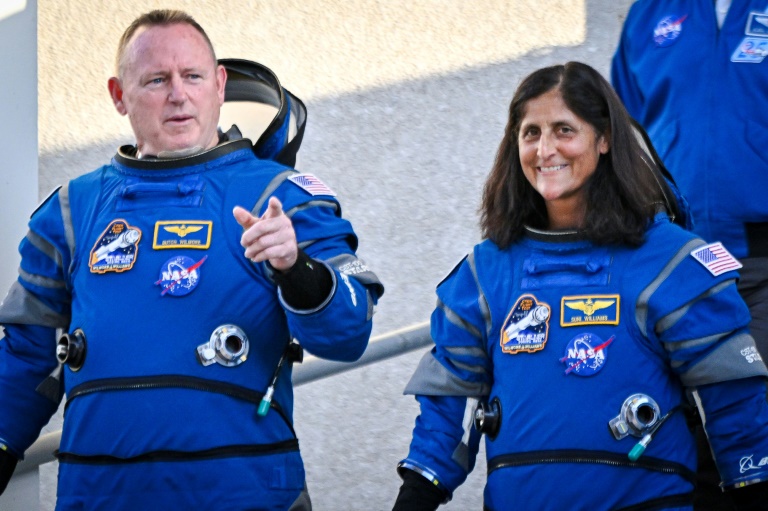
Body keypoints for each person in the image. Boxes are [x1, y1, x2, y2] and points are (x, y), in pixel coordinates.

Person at [0, 9, 383, 510]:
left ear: (220, 85)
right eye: (157, 79)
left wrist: (298, 270)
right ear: (119, 95)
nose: (178, 94)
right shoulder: (72, 209)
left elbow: (350, 331)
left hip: (244, 494)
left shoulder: (281, 195)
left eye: (193, 76)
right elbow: (26, 356)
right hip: (98, 497)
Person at [391, 61, 768, 511]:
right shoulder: (484, 273)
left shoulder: (671, 261)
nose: (545, 149)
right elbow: (447, 415)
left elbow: (737, 412)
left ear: (604, 138)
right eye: (531, 133)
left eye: (564, 130)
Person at [611, 3, 768, 508]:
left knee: (752, 431)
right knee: (675, 440)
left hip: (761, 269)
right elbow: (621, 139)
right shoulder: (650, 14)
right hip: (671, 272)